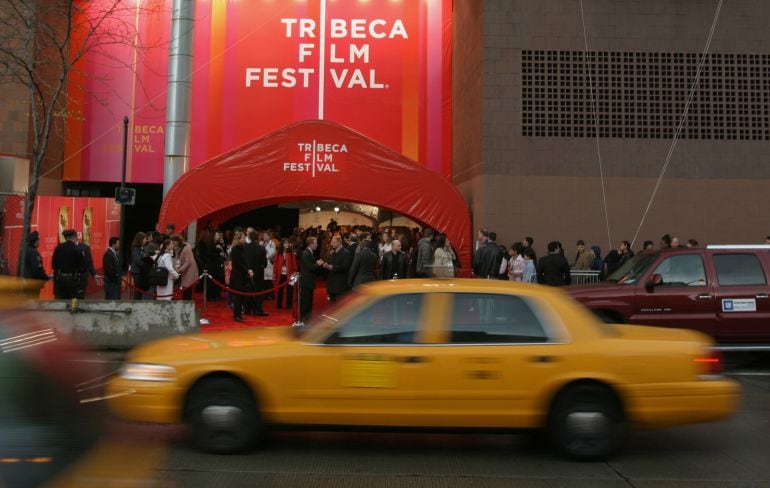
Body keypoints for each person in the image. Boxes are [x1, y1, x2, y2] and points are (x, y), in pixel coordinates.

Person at [52, 229, 86, 299]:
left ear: (65, 238)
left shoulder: (58, 248)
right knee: (72, 301)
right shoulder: (77, 249)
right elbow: (82, 267)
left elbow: (54, 265)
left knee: (60, 301)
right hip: (72, 280)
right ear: (75, 237)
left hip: (60, 279)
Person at [299, 236, 323, 323]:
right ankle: (304, 318)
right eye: (316, 243)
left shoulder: (309, 253)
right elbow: (310, 268)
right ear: (311, 244)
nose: (317, 245)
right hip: (306, 282)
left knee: (308, 300)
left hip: (308, 281)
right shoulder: (306, 253)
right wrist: (317, 263)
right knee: (306, 301)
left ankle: (306, 317)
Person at [245, 230, 268, 316]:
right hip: (259, 273)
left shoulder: (245, 247)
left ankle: (247, 309)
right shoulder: (261, 248)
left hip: (248, 272)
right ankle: (258, 310)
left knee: (248, 292)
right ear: (258, 238)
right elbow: (264, 263)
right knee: (259, 292)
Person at [170, 234, 199, 300]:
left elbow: (188, 261)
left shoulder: (186, 247)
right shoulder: (177, 247)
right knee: (184, 287)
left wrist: (180, 270)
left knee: (187, 287)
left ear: (178, 241)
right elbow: (178, 259)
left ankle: (187, 301)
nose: (173, 244)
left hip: (190, 270)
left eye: (174, 242)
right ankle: (186, 300)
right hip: (184, 269)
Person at [228, 232, 249, 322]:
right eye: (243, 238)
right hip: (237, 276)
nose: (244, 239)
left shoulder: (243, 248)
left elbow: (245, 261)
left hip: (243, 275)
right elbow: (237, 263)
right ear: (238, 239)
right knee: (237, 297)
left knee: (241, 296)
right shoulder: (235, 249)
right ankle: (236, 315)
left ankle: (239, 314)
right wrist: (247, 270)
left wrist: (248, 269)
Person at [324, 235, 352, 302]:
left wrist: (332, 267)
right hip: (331, 285)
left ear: (339, 242)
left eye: (333, 242)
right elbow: (330, 262)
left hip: (340, 285)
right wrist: (326, 265)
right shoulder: (333, 252)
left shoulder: (346, 253)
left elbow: (345, 266)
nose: (331, 244)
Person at [273, 238, 297, 309]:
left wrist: (295, 271)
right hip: (280, 274)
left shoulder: (291, 253)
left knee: (290, 290)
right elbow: (275, 263)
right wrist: (274, 272)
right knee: (280, 290)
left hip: (289, 273)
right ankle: (279, 304)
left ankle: (289, 305)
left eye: (288, 243)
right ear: (282, 244)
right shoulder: (279, 252)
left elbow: (294, 263)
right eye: (285, 243)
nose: (287, 244)